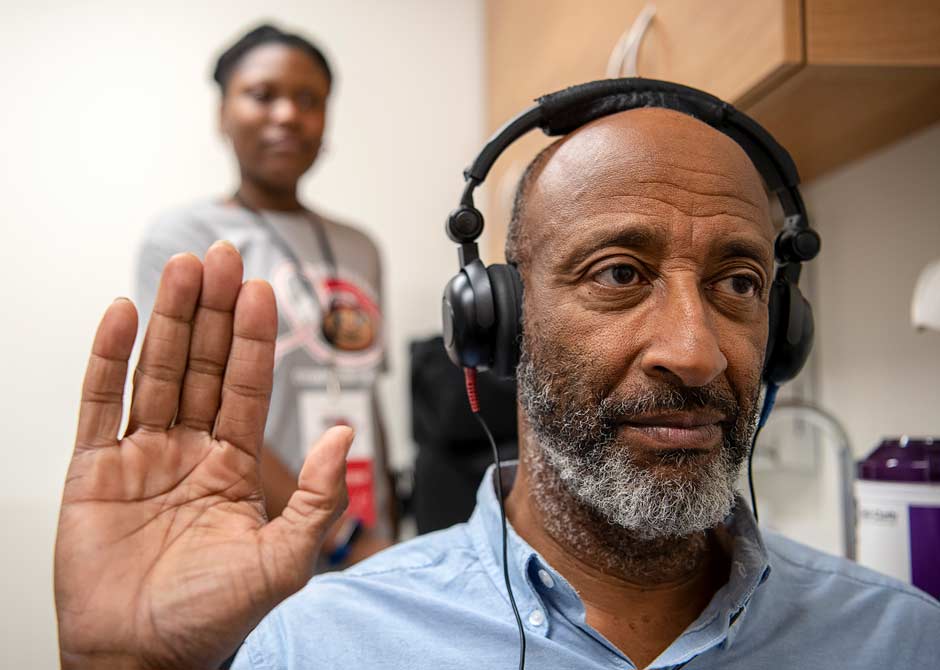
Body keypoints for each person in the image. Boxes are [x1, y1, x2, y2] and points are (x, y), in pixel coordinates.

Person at [56, 106, 939, 670]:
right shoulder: (323, 645)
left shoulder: (902, 642)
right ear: (499, 323)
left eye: (739, 283)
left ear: (783, 329)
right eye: (621, 273)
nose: (695, 351)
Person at [134, 24, 394, 566]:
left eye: (309, 100)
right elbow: (190, 410)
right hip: (250, 539)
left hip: (366, 544)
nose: (287, 115)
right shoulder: (186, 238)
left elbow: (366, 392)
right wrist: (336, 535)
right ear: (222, 113)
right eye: (262, 95)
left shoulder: (360, 247)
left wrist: (383, 528)